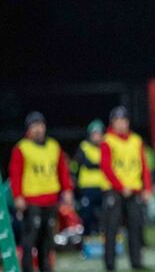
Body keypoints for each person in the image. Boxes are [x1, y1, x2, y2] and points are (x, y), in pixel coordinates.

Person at [9, 111, 74, 272]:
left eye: (40, 125)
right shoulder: (22, 148)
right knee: (29, 240)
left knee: (47, 241)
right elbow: (15, 174)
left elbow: (62, 170)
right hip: (31, 201)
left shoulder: (53, 146)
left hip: (51, 201)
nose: (38, 129)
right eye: (34, 126)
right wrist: (17, 196)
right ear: (28, 129)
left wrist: (67, 190)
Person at [100, 106, 151, 271]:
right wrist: (121, 187)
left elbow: (144, 166)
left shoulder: (136, 140)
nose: (121, 124)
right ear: (112, 123)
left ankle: (136, 261)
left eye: (124, 120)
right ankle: (110, 263)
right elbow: (106, 168)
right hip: (114, 191)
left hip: (134, 190)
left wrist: (147, 188)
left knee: (136, 227)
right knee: (111, 228)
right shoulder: (107, 141)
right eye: (118, 121)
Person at [74, 119, 110, 236]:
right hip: (87, 187)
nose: (97, 137)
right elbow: (84, 163)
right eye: (94, 134)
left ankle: (102, 237)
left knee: (104, 215)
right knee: (87, 214)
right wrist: (100, 164)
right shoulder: (84, 147)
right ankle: (86, 237)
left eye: (99, 134)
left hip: (103, 186)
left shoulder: (106, 147)